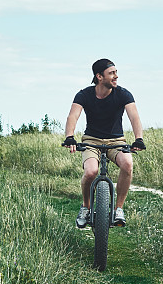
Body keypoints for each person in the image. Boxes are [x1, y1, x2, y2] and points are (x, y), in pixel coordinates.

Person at [62, 58, 146, 228]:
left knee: (128, 164)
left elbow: (134, 117)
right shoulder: (84, 94)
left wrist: (139, 138)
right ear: (99, 76)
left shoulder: (123, 94)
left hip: (116, 141)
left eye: (116, 72)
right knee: (91, 172)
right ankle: (85, 207)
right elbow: (73, 116)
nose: (116, 76)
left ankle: (118, 209)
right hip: (91, 140)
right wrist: (70, 136)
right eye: (112, 73)